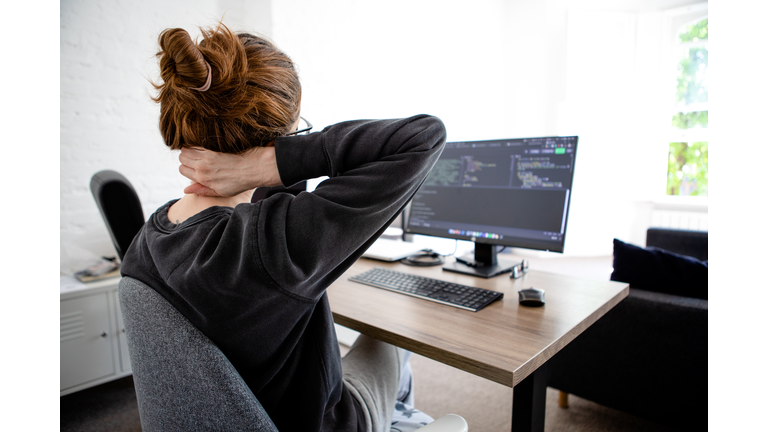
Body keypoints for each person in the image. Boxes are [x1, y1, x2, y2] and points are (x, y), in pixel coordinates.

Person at [121, 22, 446, 432]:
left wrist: (266, 160)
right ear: (282, 138)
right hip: (329, 422)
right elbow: (423, 137)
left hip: (257, 409)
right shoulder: (272, 248)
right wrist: (267, 162)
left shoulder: (151, 237)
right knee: (392, 338)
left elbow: (273, 205)